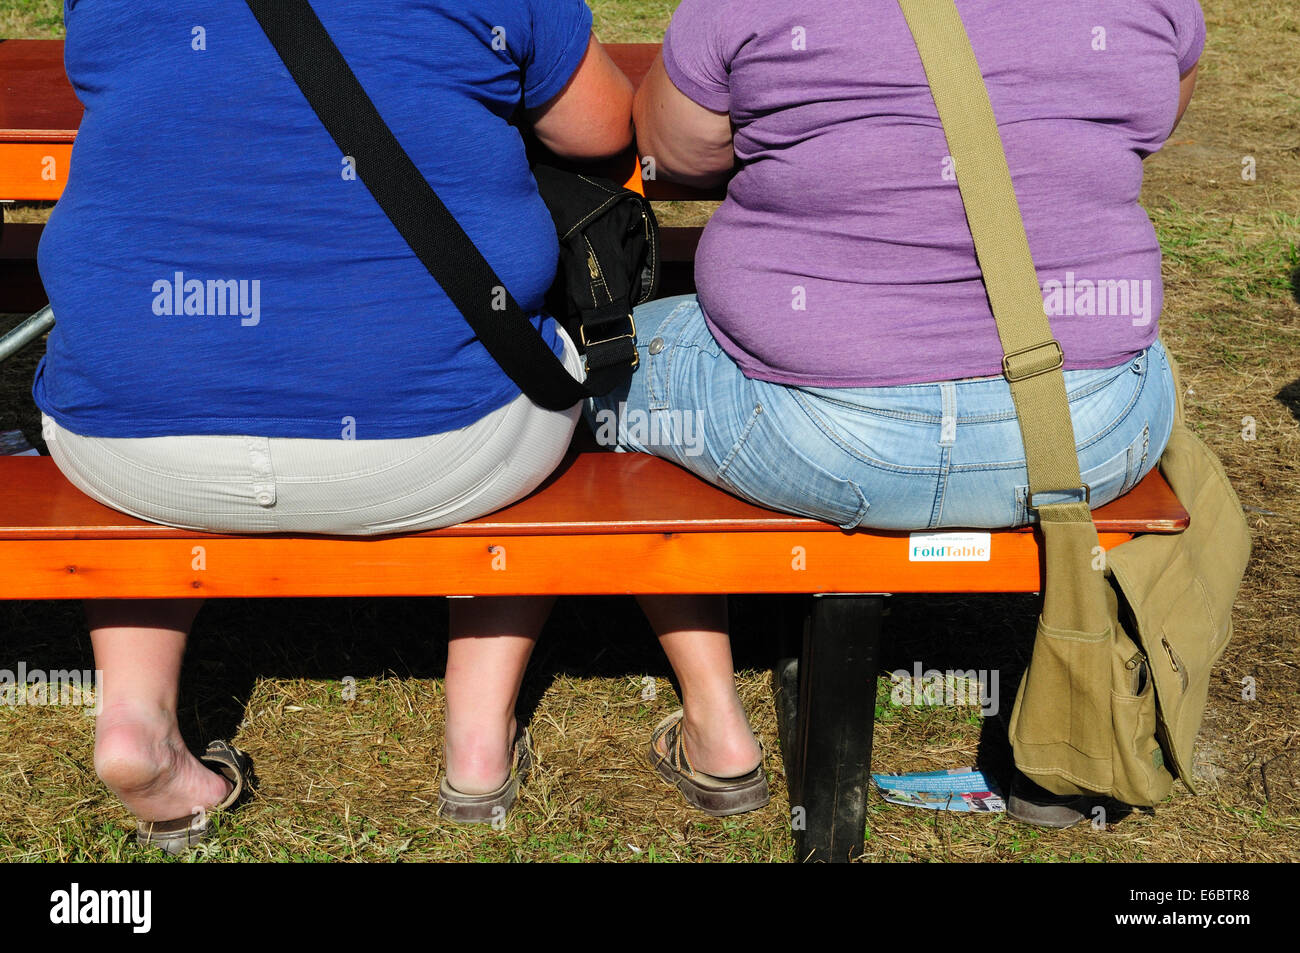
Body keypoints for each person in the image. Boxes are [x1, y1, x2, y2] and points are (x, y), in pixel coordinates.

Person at [590, 0, 1205, 828]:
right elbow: (1155, 114)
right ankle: (1077, 719)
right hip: (1084, 431)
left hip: (819, 430)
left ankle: (709, 705)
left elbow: (674, 152)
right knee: (1142, 355)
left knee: (610, 361)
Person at [34, 0, 632, 850]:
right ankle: (476, 741)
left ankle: (134, 717)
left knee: (156, 366)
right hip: (443, 446)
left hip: (129, 448)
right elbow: (603, 127)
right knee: (540, 347)